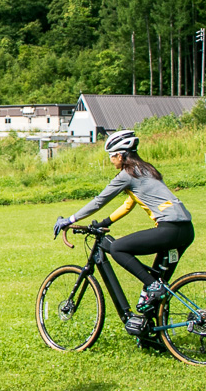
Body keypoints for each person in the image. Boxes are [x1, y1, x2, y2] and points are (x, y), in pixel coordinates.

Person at [53, 129, 194, 338]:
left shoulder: (127, 175)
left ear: (120, 155)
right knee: (154, 289)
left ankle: (153, 286)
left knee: (119, 249)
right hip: (185, 230)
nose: (111, 160)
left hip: (169, 229)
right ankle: (153, 335)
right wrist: (105, 222)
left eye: (112, 156)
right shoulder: (145, 170)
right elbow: (129, 204)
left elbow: (100, 200)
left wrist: (70, 219)